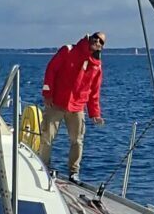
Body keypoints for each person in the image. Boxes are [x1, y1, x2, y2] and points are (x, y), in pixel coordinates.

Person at [39, 31, 106, 182]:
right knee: (47, 137)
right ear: (90, 38)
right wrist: (47, 94)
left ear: (101, 47)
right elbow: (51, 70)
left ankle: (74, 172)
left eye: (101, 42)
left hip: (77, 106)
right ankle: (43, 166)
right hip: (56, 102)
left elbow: (94, 91)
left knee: (77, 140)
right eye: (96, 38)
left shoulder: (96, 66)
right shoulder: (68, 50)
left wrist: (95, 113)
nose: (98, 42)